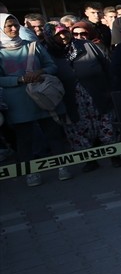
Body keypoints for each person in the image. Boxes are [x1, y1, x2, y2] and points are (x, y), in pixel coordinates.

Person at [0, 10, 69, 186]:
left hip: (43, 97)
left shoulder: (33, 45)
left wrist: (41, 72)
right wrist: (19, 79)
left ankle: (63, 166)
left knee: (53, 133)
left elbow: (51, 66)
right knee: (25, 139)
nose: (14, 29)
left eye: (15, 25)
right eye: (9, 26)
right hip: (18, 103)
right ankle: (31, 172)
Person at [57, 22, 117, 171]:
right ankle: (89, 160)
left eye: (65, 32)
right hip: (72, 98)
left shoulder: (87, 46)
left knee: (106, 124)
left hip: (97, 93)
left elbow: (107, 66)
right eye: (58, 34)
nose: (63, 36)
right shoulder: (49, 52)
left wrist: (111, 88)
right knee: (79, 128)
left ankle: (115, 155)